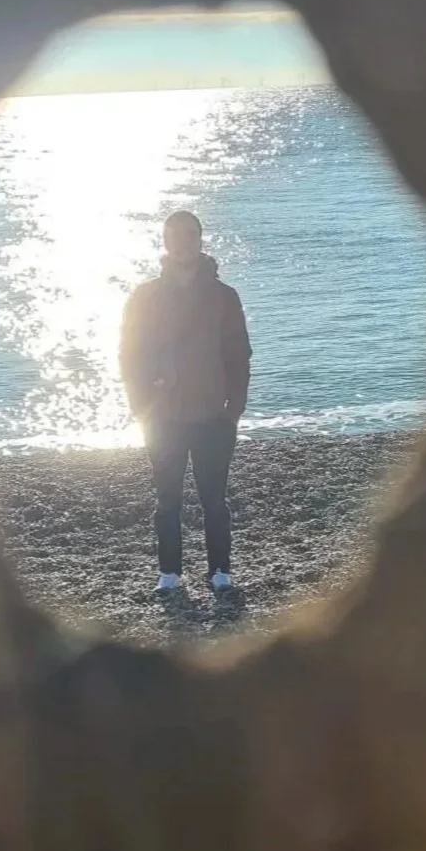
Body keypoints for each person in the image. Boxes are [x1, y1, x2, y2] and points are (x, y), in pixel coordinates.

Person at [119, 211, 252, 592]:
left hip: (213, 415)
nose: (182, 242)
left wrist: (234, 410)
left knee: (215, 500)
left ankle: (220, 570)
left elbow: (239, 355)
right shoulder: (145, 297)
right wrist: (139, 404)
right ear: (165, 241)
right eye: (174, 235)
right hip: (162, 417)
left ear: (200, 238)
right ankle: (170, 573)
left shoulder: (224, 296)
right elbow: (129, 354)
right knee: (167, 500)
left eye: (189, 234)